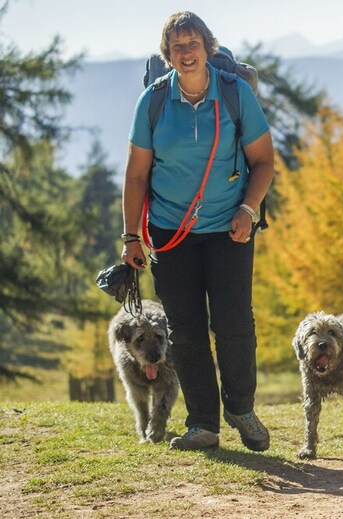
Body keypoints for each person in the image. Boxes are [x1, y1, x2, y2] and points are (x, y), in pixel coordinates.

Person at [121, 11, 274, 452]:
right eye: (177, 46)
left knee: (234, 324)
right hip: (171, 233)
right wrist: (132, 236)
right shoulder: (152, 101)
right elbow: (135, 176)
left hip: (231, 228)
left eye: (193, 43)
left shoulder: (234, 94)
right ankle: (202, 423)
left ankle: (241, 409)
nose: (186, 53)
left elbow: (263, 161)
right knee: (185, 331)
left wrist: (248, 208)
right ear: (167, 54)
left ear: (208, 46)